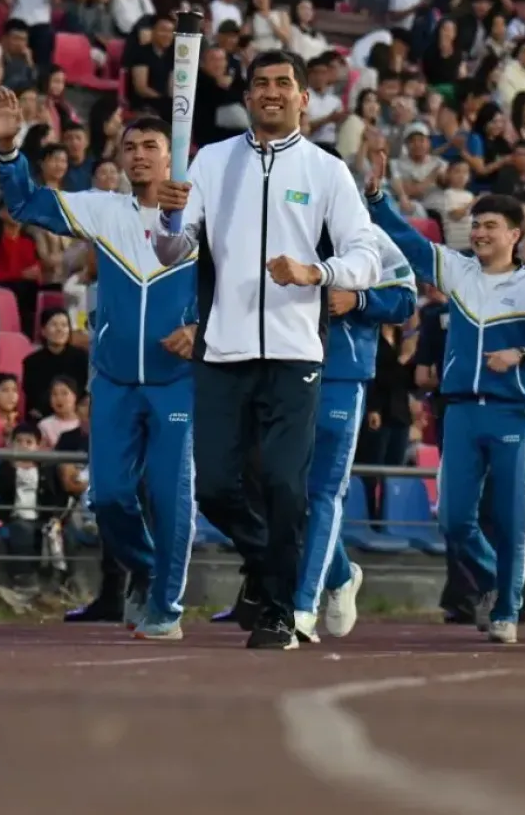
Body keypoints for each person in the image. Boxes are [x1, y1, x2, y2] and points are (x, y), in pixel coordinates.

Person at [154, 49, 382, 650]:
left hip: (294, 353)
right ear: (247, 97)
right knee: (217, 490)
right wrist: (167, 219)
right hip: (222, 350)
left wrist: (317, 272)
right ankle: (279, 564)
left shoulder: (326, 170)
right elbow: (170, 252)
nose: (272, 92)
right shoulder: (211, 161)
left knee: (285, 485)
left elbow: (367, 255)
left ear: (305, 98)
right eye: (261, 84)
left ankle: (280, 609)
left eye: (284, 84)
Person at [0, 103, 198, 641]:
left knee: (169, 491)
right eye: (129, 148)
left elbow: (240, 280)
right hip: (112, 380)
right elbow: (24, 202)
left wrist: (202, 327)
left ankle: (166, 605)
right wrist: (9, 150)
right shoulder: (103, 209)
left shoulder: (204, 213)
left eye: (150, 147)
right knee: (107, 495)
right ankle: (147, 567)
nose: (138, 156)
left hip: (176, 379)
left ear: (173, 156)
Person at [364, 156, 525, 645]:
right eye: (476, 224)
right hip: (459, 412)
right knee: (453, 520)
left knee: (510, 519)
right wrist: (379, 200)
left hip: (511, 413)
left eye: (491, 226)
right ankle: (495, 584)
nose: (480, 233)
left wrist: (524, 352)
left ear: (514, 236)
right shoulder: (458, 272)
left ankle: (506, 607)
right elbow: (413, 247)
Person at [293, 229, 416, 643]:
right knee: (272, 486)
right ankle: (341, 574)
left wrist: (358, 299)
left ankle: (302, 606)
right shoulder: (277, 218)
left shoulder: (369, 236)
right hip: (280, 370)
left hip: (341, 377)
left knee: (323, 492)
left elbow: (405, 299)